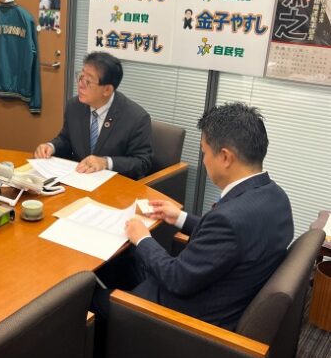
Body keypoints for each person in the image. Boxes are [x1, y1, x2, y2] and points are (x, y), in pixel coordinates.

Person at [95, 102, 294, 330]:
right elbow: (232, 240)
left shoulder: (228, 221)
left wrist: (142, 237)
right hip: (222, 290)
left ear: (226, 157)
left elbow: (176, 278)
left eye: (205, 152)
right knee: (126, 260)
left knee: (91, 298)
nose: (204, 160)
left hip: (186, 321)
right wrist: (180, 217)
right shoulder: (276, 197)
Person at [34, 52, 152, 179]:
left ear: (107, 90)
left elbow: (142, 163)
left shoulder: (136, 118)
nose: (80, 84)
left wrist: (106, 162)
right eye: (81, 77)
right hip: (78, 178)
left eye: (88, 81)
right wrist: (51, 146)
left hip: (113, 185)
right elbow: (66, 139)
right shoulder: (74, 106)